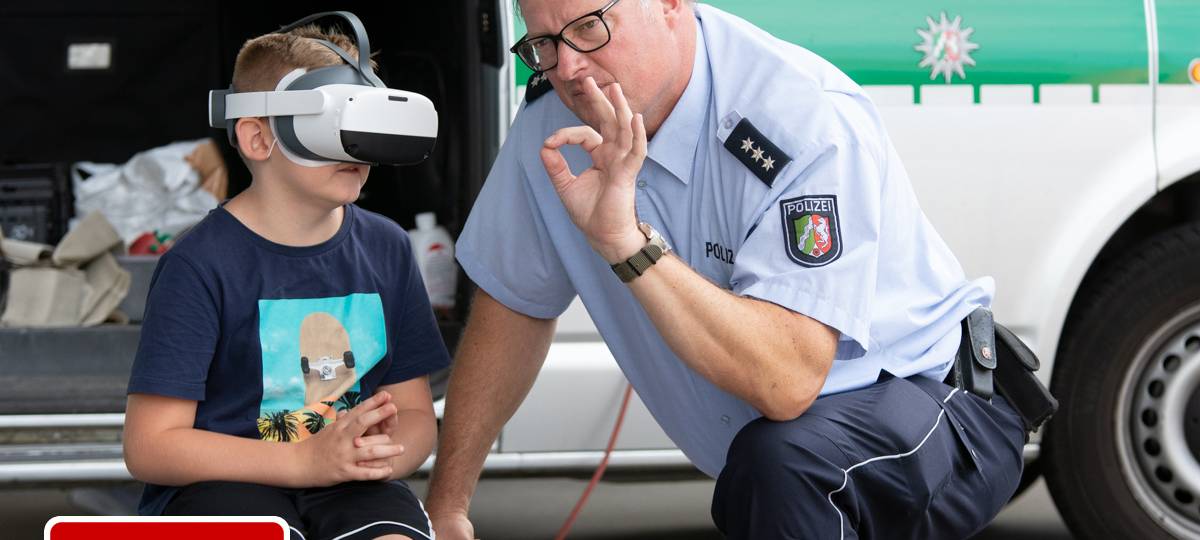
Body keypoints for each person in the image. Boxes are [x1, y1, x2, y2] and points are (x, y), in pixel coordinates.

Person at [428, 0, 1029, 538]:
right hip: (793, 448)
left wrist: (627, 244)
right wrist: (447, 507)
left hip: (940, 405)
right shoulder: (556, 118)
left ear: (669, 5)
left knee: (784, 466)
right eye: (543, 43)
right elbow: (514, 301)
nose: (568, 68)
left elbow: (786, 379)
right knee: (774, 466)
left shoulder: (794, 115)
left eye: (589, 27)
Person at [122, 23, 449, 540]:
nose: (355, 147)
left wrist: (377, 454)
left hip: (350, 483)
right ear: (258, 137)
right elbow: (150, 446)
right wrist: (304, 462)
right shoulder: (199, 264)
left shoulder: (388, 247)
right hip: (226, 483)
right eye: (332, 123)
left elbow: (413, 414)